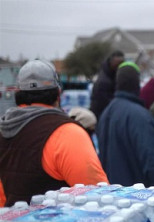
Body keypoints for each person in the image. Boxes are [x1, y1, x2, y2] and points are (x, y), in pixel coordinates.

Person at [0, 59, 108, 207]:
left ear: (17, 94)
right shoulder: (68, 133)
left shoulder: (3, 129)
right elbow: (99, 197)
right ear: (58, 93)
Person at [96, 62, 154, 188]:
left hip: (116, 199)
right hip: (141, 199)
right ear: (137, 84)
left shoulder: (105, 115)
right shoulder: (139, 116)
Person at [90, 50, 125, 119]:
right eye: (117, 64)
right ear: (111, 62)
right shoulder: (104, 81)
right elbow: (103, 104)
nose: (119, 67)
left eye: (121, 63)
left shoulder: (113, 76)